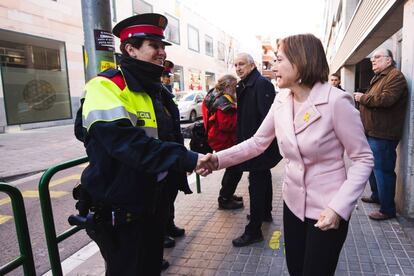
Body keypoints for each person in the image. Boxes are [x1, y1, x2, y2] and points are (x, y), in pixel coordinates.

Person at [198, 34, 374, 275]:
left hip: (327, 208)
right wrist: (218, 159)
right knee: (295, 269)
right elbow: (258, 142)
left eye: (279, 60)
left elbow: (363, 159)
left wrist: (339, 208)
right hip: (293, 205)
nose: (273, 66)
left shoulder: (336, 102)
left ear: (301, 62)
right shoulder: (281, 100)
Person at [78, 13, 202, 275]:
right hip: (122, 209)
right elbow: (127, 144)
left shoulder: (156, 89)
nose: (161, 52)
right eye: (153, 46)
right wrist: (189, 159)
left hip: (153, 202)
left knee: (149, 266)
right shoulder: (106, 86)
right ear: (130, 49)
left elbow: (168, 136)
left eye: (162, 47)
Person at [229, 53, 282, 247]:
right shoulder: (244, 84)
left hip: (259, 146)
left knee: (256, 184)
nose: (238, 68)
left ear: (252, 65)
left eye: (241, 64)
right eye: (235, 64)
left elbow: (267, 119)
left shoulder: (261, 84)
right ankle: (264, 213)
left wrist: (257, 145)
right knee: (262, 179)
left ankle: (254, 230)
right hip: (252, 144)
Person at [354, 48, 408, 221]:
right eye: (372, 58)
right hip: (372, 132)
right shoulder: (380, 77)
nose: (373, 61)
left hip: (383, 134)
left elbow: (386, 100)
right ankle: (377, 196)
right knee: (372, 168)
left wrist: (362, 98)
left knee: (383, 171)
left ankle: (387, 209)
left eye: (377, 57)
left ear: (389, 60)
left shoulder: (395, 77)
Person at [202, 74, 243, 210]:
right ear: (228, 86)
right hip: (223, 141)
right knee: (235, 170)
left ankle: (227, 195)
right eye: (234, 86)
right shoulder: (224, 101)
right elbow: (226, 125)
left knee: (233, 169)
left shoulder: (215, 95)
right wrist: (242, 118)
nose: (236, 88)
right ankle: (224, 199)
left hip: (220, 139)